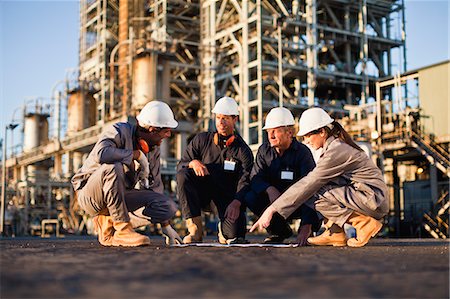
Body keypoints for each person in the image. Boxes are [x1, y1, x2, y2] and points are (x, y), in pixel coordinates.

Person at [250, 107, 389, 247]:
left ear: (322, 132)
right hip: (368, 196)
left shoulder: (336, 151)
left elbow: (309, 183)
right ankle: (336, 232)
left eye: (308, 136)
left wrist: (272, 209)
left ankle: (363, 223)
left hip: (372, 199)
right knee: (318, 188)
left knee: (312, 191)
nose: (306, 141)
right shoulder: (334, 147)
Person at [71, 100, 182, 247]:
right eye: (166, 130)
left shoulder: (153, 150)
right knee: (113, 167)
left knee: (167, 206)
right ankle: (123, 229)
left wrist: (166, 226)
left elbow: (155, 188)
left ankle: (110, 223)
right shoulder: (119, 130)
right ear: (153, 129)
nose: (168, 135)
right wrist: (136, 155)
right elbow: (101, 153)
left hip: (119, 196)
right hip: (90, 195)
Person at [177, 96, 254, 244]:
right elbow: (181, 164)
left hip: (227, 199)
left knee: (233, 236)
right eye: (218, 117)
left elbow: (245, 181)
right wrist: (193, 162)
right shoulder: (201, 140)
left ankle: (223, 228)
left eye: (225, 118)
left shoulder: (243, 151)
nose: (221, 122)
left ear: (235, 120)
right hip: (204, 194)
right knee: (183, 174)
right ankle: (195, 230)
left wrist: (237, 202)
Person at [245, 107, 320, 245]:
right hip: (274, 203)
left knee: (314, 194)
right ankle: (279, 231)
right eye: (268, 131)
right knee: (251, 197)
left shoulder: (303, 153)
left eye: (275, 131)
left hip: (297, 204)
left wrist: (307, 225)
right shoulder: (264, 150)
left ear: (289, 132)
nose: (271, 136)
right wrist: (269, 189)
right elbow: (255, 178)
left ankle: (309, 230)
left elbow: (312, 188)